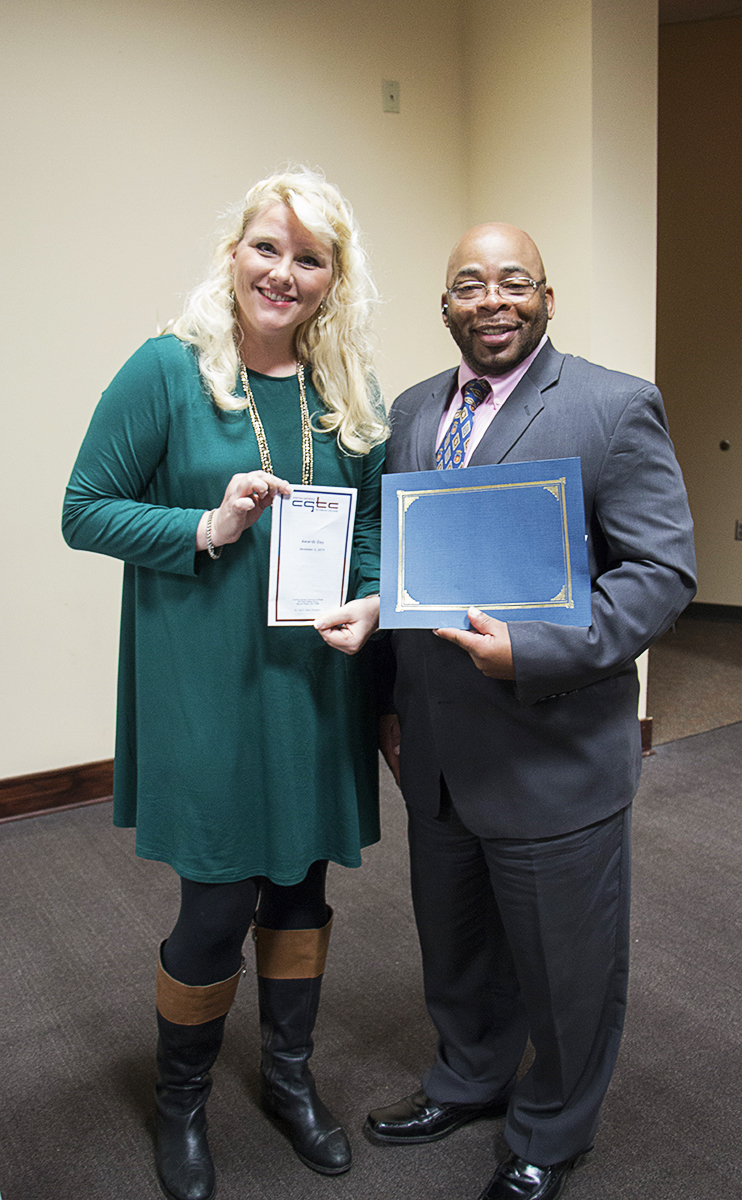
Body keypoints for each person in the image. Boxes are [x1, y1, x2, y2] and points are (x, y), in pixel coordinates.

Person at [63, 168, 387, 1200]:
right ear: (232, 253)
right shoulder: (167, 371)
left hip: (311, 688)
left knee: (299, 891)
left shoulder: (347, 393)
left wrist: (373, 601)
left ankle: (288, 1084)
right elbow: (84, 509)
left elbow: (374, 528)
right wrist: (206, 524)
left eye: (308, 257)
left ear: (333, 278)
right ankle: (183, 1103)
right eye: (266, 248)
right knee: (215, 904)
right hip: (204, 686)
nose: (282, 273)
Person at [365, 223, 696, 1200]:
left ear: (548, 299)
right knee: (455, 943)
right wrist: (385, 703)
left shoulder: (610, 406)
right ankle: (468, 1076)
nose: (492, 299)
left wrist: (537, 651)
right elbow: (401, 568)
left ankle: (553, 1128)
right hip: (432, 747)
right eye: (470, 284)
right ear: (445, 306)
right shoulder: (413, 412)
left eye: (515, 281)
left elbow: (662, 573)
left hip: (550, 744)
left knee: (565, 962)